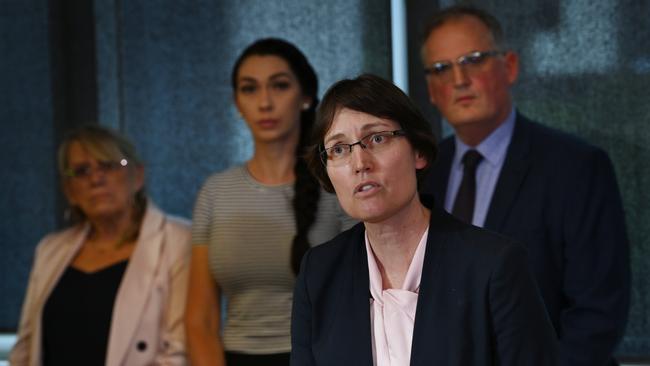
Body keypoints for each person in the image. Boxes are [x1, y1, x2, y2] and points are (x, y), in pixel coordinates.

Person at [291, 73, 558, 365]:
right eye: (339, 149)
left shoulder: (494, 265)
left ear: (418, 151)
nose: (360, 163)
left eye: (377, 138)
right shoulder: (319, 273)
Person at [420, 5, 630, 366]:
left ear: (510, 66)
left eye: (473, 60)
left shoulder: (577, 167)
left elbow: (597, 313)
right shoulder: (422, 175)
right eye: (442, 68)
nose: (459, 79)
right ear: (432, 91)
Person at [185, 38, 353, 366]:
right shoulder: (215, 192)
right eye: (250, 89)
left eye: (279, 86)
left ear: (305, 97)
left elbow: (357, 302)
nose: (264, 102)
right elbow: (200, 320)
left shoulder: (336, 185)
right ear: (236, 102)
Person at [9, 125, 191, 365]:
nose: (96, 178)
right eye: (81, 171)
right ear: (69, 191)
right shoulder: (50, 249)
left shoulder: (180, 240)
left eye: (108, 165)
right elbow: (26, 346)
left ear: (137, 176)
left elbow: (179, 352)